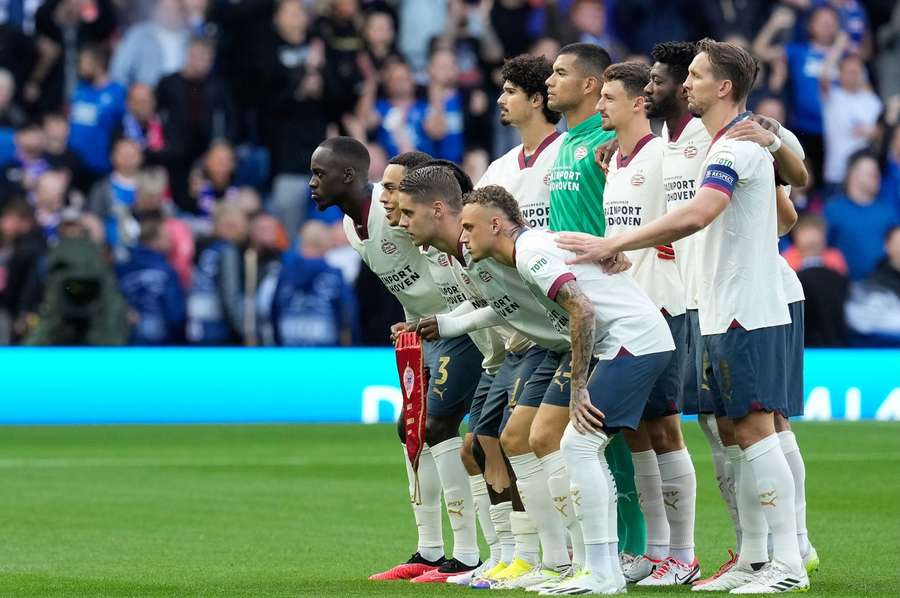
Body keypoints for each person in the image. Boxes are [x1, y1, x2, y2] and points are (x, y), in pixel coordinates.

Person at [556, 38, 811, 593]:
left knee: (755, 427)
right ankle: (754, 557)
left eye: (693, 75)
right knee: (734, 430)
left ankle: (789, 561)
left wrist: (612, 243)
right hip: (712, 307)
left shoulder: (738, 145)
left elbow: (700, 214)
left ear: (723, 87)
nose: (681, 84)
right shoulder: (693, 145)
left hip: (746, 307)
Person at [454, 183, 675, 595]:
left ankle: (604, 572)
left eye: (469, 226)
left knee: (578, 445)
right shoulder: (531, 249)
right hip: (632, 340)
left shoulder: (531, 253)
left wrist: (577, 389)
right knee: (580, 445)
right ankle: (601, 568)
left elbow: (582, 308)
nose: (463, 236)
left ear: (497, 224)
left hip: (633, 341)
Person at [309, 138, 481, 582]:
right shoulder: (352, 228)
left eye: (318, 173)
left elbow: (443, 269)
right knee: (409, 428)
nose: (311, 183)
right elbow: (409, 286)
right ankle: (428, 550)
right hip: (423, 332)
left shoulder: (399, 219)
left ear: (348, 175)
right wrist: (412, 341)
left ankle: (466, 555)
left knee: (440, 425)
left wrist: (450, 323)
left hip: (461, 325)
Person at [596, 60, 699, 586]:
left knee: (664, 431)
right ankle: (655, 550)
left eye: (609, 98)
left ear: (639, 102)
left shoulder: (665, 156)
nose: (599, 107)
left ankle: (683, 552)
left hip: (661, 309)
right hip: (624, 312)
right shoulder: (615, 160)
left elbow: (681, 226)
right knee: (635, 433)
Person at [545, 41, 647, 561]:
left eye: (560, 73)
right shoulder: (566, 143)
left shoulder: (607, 143)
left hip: (609, 302)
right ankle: (609, 550)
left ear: (590, 85)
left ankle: (638, 548)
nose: (549, 81)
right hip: (576, 304)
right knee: (595, 434)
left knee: (614, 433)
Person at [272, 220, 355, 346]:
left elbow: (274, 312)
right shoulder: (334, 275)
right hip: (327, 353)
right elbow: (348, 313)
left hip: (289, 351)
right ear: (326, 243)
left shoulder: (284, 275)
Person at [825, 151, 900, 280]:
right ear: (852, 175)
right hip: (846, 287)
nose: (877, 177)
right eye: (871, 173)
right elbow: (825, 249)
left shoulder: (888, 210)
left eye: (877, 174)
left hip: (886, 285)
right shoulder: (833, 210)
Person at [115, 216, 186, 345]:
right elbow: (175, 315)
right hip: (160, 340)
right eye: (166, 236)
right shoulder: (166, 270)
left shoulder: (121, 268)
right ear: (153, 240)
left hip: (127, 339)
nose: (171, 241)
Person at [186, 202, 247, 345]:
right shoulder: (227, 251)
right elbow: (229, 297)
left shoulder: (205, 251)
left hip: (197, 329)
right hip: (219, 333)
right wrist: (243, 333)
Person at [67, 43, 126, 178]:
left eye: (83, 62)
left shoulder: (117, 92)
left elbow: (124, 126)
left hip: (101, 166)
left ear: (97, 63)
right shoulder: (80, 89)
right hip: (74, 164)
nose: (79, 66)